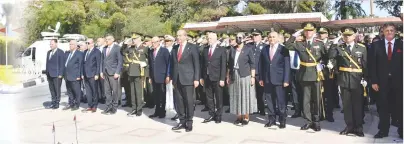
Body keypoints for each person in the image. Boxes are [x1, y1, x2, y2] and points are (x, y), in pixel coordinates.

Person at [284, 22, 326, 131]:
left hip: (316, 74)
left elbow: (326, 57)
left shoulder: (320, 44)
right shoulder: (299, 43)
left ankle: (316, 121)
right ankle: (308, 121)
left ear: (314, 32)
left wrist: (322, 66)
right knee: (306, 100)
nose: (308, 32)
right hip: (304, 74)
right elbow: (287, 45)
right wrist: (294, 35)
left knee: (316, 100)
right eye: (306, 30)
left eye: (310, 30)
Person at [328, 26, 367, 137]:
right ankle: (349, 126)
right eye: (345, 35)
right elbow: (331, 56)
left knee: (358, 105)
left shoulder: (362, 48)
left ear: (354, 36)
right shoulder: (339, 47)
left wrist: (366, 78)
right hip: (344, 79)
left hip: (357, 79)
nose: (347, 37)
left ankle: (358, 127)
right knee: (347, 105)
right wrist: (335, 42)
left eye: (349, 35)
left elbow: (365, 64)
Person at [371, 23, 403, 139]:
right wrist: (374, 81)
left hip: (399, 82)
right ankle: (383, 131)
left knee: (400, 107)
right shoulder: (376, 45)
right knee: (383, 108)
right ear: (383, 32)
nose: (389, 32)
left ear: (395, 32)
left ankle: (402, 130)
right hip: (381, 83)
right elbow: (372, 65)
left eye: (391, 30)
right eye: (387, 30)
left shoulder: (401, 45)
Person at [170, 30, 200, 132]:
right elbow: (173, 64)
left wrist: (196, 78)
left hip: (188, 79)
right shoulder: (175, 48)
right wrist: (171, 77)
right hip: (177, 79)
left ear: (185, 36)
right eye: (177, 35)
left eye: (180, 36)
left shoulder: (192, 47)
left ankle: (189, 122)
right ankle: (182, 121)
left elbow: (196, 64)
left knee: (189, 101)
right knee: (179, 102)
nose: (178, 37)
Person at [259, 31, 290, 129]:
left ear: (277, 38)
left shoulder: (284, 49)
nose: (271, 39)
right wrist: (261, 78)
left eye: (273, 37)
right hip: (267, 79)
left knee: (281, 101)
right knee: (269, 101)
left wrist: (286, 80)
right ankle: (271, 120)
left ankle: (282, 120)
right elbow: (261, 65)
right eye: (270, 37)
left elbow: (287, 66)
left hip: (280, 80)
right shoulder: (264, 49)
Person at [228, 32, 257, 126]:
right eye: (236, 37)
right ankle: (238, 116)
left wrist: (253, 77)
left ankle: (246, 116)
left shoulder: (248, 49)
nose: (238, 39)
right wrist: (228, 76)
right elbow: (229, 64)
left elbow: (252, 64)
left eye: (240, 37)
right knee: (236, 95)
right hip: (234, 74)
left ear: (244, 39)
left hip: (245, 75)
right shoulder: (232, 49)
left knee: (245, 95)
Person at [200, 32, 227, 124]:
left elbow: (223, 65)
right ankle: (211, 114)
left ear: (215, 39)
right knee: (209, 97)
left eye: (210, 38)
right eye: (208, 38)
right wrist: (201, 77)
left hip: (217, 77)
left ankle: (218, 115)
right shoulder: (205, 49)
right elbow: (202, 64)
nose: (209, 40)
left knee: (219, 98)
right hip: (207, 77)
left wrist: (222, 78)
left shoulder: (221, 50)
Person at [317, 27, 337, 122]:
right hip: (318, 71)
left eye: (323, 33)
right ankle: (320, 113)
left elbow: (333, 57)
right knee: (319, 93)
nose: (321, 34)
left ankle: (329, 114)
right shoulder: (315, 43)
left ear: (327, 34)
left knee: (329, 93)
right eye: (320, 33)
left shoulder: (331, 44)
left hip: (328, 72)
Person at [126, 33, 148, 116]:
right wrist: (126, 43)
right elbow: (122, 51)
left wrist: (145, 65)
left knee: (138, 92)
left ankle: (139, 109)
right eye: (132, 39)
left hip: (139, 72)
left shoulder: (144, 48)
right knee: (132, 91)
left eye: (135, 39)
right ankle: (133, 108)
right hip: (131, 71)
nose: (133, 40)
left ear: (139, 39)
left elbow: (149, 59)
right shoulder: (131, 48)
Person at [149, 36, 170, 118]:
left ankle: (162, 112)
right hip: (154, 76)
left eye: (154, 42)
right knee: (156, 95)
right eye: (152, 42)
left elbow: (168, 63)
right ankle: (157, 111)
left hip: (162, 76)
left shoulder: (164, 51)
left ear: (158, 42)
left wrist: (168, 75)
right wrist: (150, 76)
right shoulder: (151, 51)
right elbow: (151, 65)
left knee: (162, 95)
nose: (153, 44)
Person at [101, 35, 123, 115]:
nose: (107, 41)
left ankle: (114, 107)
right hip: (105, 72)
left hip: (113, 73)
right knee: (107, 91)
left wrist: (117, 72)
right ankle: (108, 106)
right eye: (106, 39)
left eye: (108, 39)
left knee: (115, 91)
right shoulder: (104, 48)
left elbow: (120, 61)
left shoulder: (117, 48)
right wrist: (101, 71)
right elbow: (102, 61)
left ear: (113, 40)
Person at [249, 28, 266, 116]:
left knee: (261, 93)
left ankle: (262, 109)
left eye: (256, 35)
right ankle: (254, 108)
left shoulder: (265, 46)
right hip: (250, 73)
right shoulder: (249, 46)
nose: (254, 37)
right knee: (252, 93)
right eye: (253, 35)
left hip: (259, 73)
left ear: (260, 36)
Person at [63, 40, 84, 111]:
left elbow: (80, 65)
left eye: (71, 44)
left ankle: (77, 104)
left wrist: (79, 75)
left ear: (75, 45)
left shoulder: (79, 54)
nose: (70, 46)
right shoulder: (68, 53)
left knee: (76, 91)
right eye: (69, 44)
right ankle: (70, 103)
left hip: (75, 76)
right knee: (69, 91)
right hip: (67, 76)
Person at [82, 38, 101, 113]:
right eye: (86, 43)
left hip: (93, 74)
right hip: (86, 74)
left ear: (93, 43)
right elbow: (83, 63)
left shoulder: (97, 51)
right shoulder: (85, 52)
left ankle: (94, 106)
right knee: (88, 91)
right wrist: (82, 73)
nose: (87, 44)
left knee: (94, 91)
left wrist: (97, 74)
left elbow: (98, 64)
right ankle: (90, 105)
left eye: (88, 43)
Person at [45, 39, 65, 109]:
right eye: (50, 44)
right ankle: (53, 102)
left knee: (57, 90)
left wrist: (61, 74)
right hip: (49, 74)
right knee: (52, 90)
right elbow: (47, 63)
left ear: (56, 44)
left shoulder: (60, 52)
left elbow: (62, 64)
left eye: (52, 44)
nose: (51, 45)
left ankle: (57, 103)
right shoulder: (49, 52)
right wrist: (47, 73)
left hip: (57, 75)